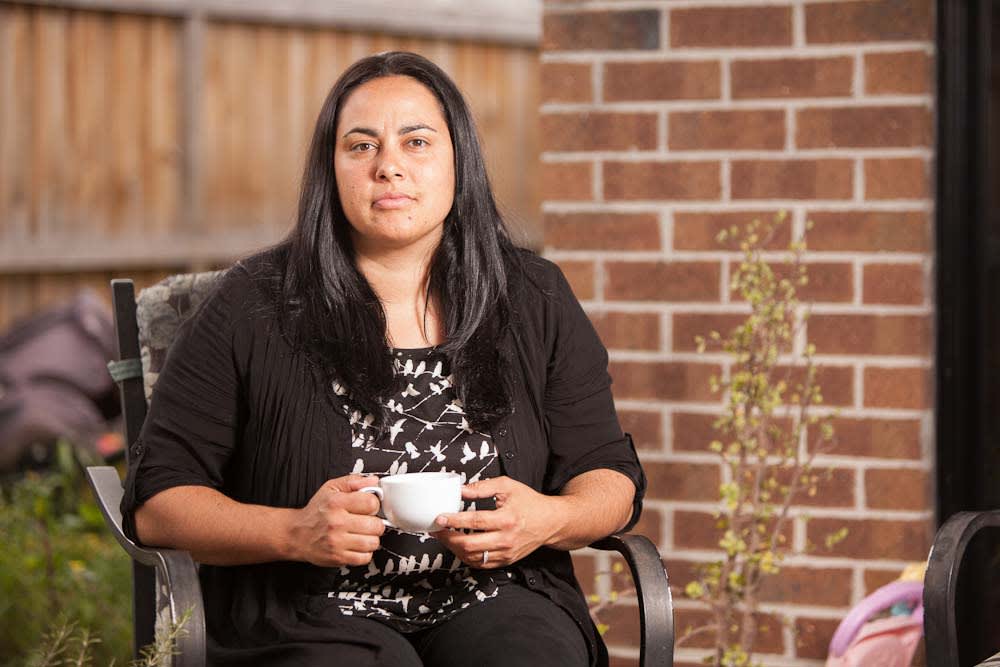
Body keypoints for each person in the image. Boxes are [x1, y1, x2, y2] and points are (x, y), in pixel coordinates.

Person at [121, 51, 645, 667]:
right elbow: (158, 502)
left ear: (459, 161)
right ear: (331, 169)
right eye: (361, 146)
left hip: (497, 595)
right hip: (304, 611)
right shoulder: (250, 304)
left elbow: (607, 474)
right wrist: (294, 533)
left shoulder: (534, 296)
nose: (389, 166)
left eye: (416, 142)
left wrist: (548, 519)